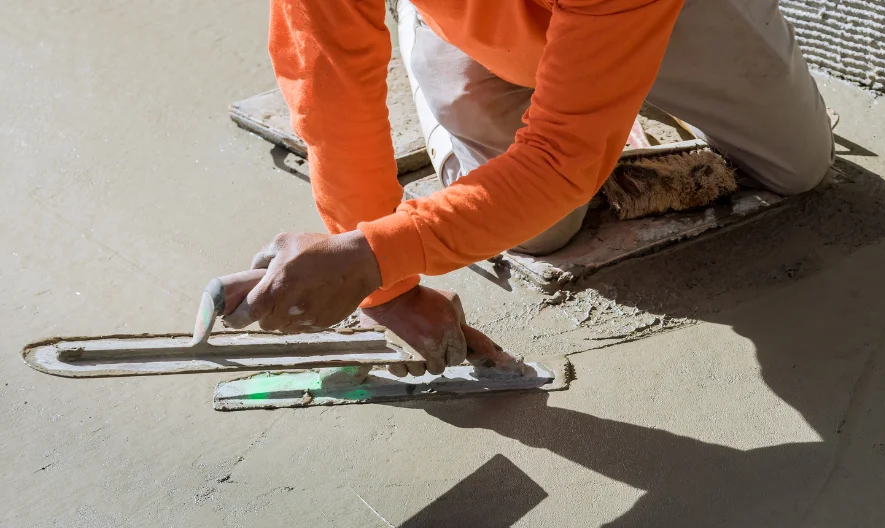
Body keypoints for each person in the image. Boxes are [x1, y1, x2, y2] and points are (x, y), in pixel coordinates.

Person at [219, 0, 834, 373]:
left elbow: (562, 159)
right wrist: (385, 280)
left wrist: (374, 256)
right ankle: (433, 42)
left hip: (664, 15)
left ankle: (599, 83)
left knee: (798, 166)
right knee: (540, 231)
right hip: (478, 24)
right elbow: (332, 90)